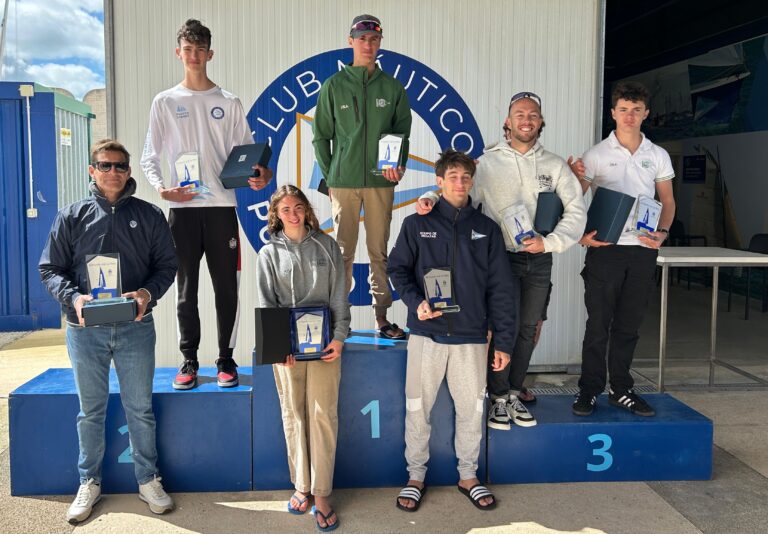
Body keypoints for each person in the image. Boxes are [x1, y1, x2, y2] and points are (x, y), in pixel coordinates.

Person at [39, 139, 178, 524]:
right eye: (105, 165)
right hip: (85, 330)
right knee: (90, 411)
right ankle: (89, 481)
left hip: (135, 327)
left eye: (119, 166)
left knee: (140, 409)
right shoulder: (71, 216)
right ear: (92, 170)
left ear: (129, 171)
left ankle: (148, 479)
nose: (112, 172)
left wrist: (147, 293)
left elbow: (167, 265)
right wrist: (75, 299)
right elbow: (50, 269)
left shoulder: (149, 215)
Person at [140, 18, 273, 390]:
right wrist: (162, 189)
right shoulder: (165, 101)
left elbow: (247, 157)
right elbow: (149, 156)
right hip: (182, 213)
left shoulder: (227, 102)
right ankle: (189, 361)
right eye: (188, 49)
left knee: (226, 288)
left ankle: (225, 360)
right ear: (178, 52)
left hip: (221, 209)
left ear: (210, 54)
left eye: (201, 49)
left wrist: (260, 174)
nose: (194, 55)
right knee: (186, 291)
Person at [388, 150, 516, 512]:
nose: (460, 183)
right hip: (426, 335)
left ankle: (468, 475)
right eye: (453, 176)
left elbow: (502, 289)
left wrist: (502, 340)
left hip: (471, 338)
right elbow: (398, 270)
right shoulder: (416, 223)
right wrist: (416, 303)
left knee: (472, 409)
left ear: (471, 181)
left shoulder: (487, 229)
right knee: (417, 408)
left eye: (465, 177)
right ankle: (415, 476)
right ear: (439, 181)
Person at [568, 81, 675, 417]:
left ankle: (622, 389)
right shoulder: (596, 154)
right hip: (606, 250)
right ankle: (588, 391)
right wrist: (581, 235)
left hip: (642, 251)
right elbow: (574, 199)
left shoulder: (657, 155)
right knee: (598, 324)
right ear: (613, 112)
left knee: (628, 325)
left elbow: (667, 200)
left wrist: (663, 233)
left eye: (636, 110)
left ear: (646, 114)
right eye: (624, 109)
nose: (630, 116)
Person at [256, 185, 350, 532]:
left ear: (307, 210)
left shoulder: (327, 247)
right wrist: (278, 348)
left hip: (325, 349)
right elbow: (268, 303)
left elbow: (339, 296)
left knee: (323, 416)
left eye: (298, 207)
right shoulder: (269, 253)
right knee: (294, 415)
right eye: (285, 210)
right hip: (288, 353)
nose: (293, 214)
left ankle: (322, 493)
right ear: (276, 215)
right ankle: (302, 486)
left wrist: (339, 338)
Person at [312, 14, 412, 339]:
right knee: (342, 252)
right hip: (343, 184)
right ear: (351, 40)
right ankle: (340, 320)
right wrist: (332, 176)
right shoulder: (334, 87)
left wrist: (397, 165)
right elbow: (320, 137)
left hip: (380, 183)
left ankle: (381, 318)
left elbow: (402, 133)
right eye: (362, 38)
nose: (367, 45)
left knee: (378, 251)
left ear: (379, 43)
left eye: (373, 39)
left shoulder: (392, 87)